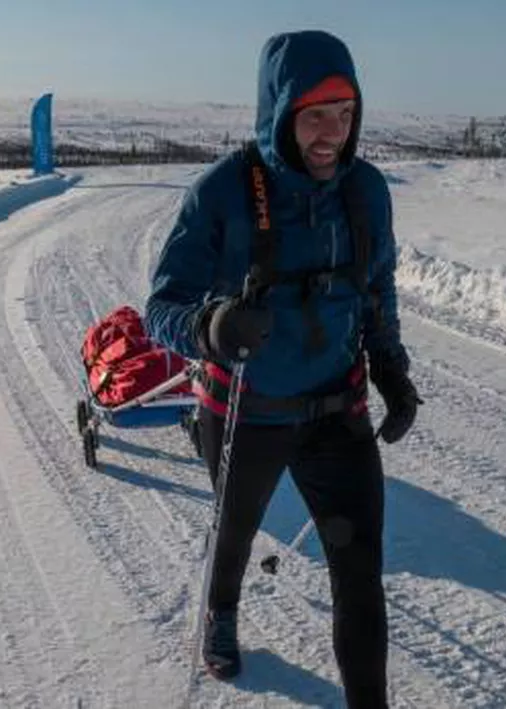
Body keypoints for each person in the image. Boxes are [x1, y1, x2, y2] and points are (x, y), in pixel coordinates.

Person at [143, 28, 421, 709]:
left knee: (359, 572)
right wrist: (211, 326)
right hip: (247, 406)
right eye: (315, 115)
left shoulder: (366, 191)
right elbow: (161, 307)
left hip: (336, 409)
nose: (332, 132)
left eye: (345, 114)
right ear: (280, 111)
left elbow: (376, 284)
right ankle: (222, 611)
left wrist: (390, 367)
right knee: (235, 533)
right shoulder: (223, 191)